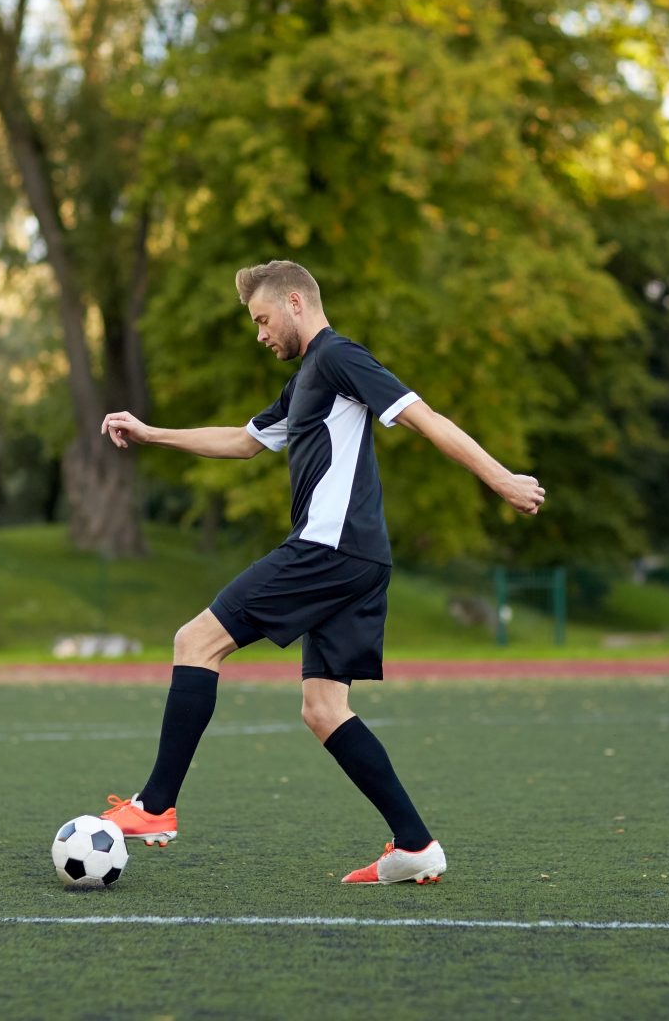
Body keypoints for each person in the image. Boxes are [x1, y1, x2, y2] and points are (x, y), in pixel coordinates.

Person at [96, 260, 545, 885]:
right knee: (324, 708)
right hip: (359, 558)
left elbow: (424, 417)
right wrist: (151, 434)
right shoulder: (305, 381)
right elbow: (244, 442)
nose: (259, 334)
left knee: (195, 641)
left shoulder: (338, 357)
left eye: (262, 319)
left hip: (328, 549)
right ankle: (415, 845)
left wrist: (502, 479)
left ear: (295, 302)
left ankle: (155, 805)